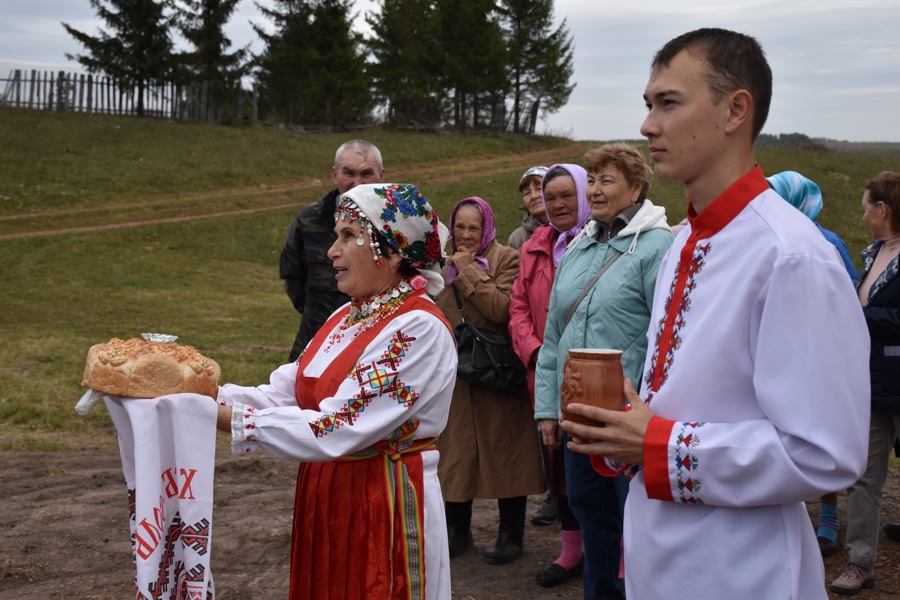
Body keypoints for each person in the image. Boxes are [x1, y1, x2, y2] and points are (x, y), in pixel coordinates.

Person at [559, 28, 871, 600]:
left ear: (736, 110)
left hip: (742, 568)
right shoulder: (683, 242)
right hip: (661, 548)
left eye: (668, 103)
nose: (649, 125)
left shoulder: (792, 255)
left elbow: (827, 453)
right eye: (648, 105)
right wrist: (627, 423)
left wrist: (657, 444)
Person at [215, 183, 456, 599]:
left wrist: (219, 417)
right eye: (335, 235)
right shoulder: (347, 315)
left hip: (384, 500)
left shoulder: (418, 328)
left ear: (394, 250)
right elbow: (282, 394)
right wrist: (196, 393)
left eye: (348, 236)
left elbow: (336, 426)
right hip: (329, 493)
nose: (332, 251)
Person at [534, 145, 673, 599]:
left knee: (638, 521)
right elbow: (555, 332)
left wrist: (653, 411)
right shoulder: (579, 243)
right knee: (591, 515)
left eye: (606, 180)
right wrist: (547, 410)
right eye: (591, 180)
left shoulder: (657, 247)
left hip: (628, 416)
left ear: (636, 187)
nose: (594, 189)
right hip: (578, 414)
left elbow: (667, 337)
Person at [435, 196, 545, 565]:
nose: (465, 235)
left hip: (496, 370)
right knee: (456, 452)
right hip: (457, 375)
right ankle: (457, 531)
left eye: (474, 228)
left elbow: (500, 309)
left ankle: (510, 534)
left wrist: (468, 271)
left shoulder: (507, 259)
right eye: (460, 227)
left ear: (488, 229)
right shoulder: (440, 264)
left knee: (506, 451)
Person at [767, 170, 858, 558]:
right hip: (780, 349)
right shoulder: (765, 238)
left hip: (816, 352)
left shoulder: (827, 242)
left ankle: (829, 517)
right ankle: (791, 511)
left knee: (818, 436)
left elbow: (849, 294)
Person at [509, 164, 591, 586]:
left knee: (597, 462)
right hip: (544, 375)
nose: (557, 205)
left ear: (584, 195)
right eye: (550, 197)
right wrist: (538, 354)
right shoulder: (535, 246)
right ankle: (571, 550)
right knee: (557, 463)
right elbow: (519, 307)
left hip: (589, 375)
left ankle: (613, 552)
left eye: (566, 195)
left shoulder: (601, 242)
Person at [831, 172, 900, 595]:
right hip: (872, 384)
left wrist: (858, 316)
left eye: (865, 207)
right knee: (865, 477)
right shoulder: (872, 252)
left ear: (883, 209)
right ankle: (860, 563)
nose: (862, 215)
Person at [280, 140, 385, 362]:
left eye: (366, 173)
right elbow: (293, 279)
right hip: (316, 341)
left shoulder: (395, 225)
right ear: (335, 174)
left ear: (381, 176)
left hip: (376, 345)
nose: (357, 183)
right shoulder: (307, 221)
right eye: (349, 173)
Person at [508, 166, 549, 250]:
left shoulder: (570, 228)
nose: (533, 196)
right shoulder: (517, 239)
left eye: (539, 189)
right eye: (527, 193)